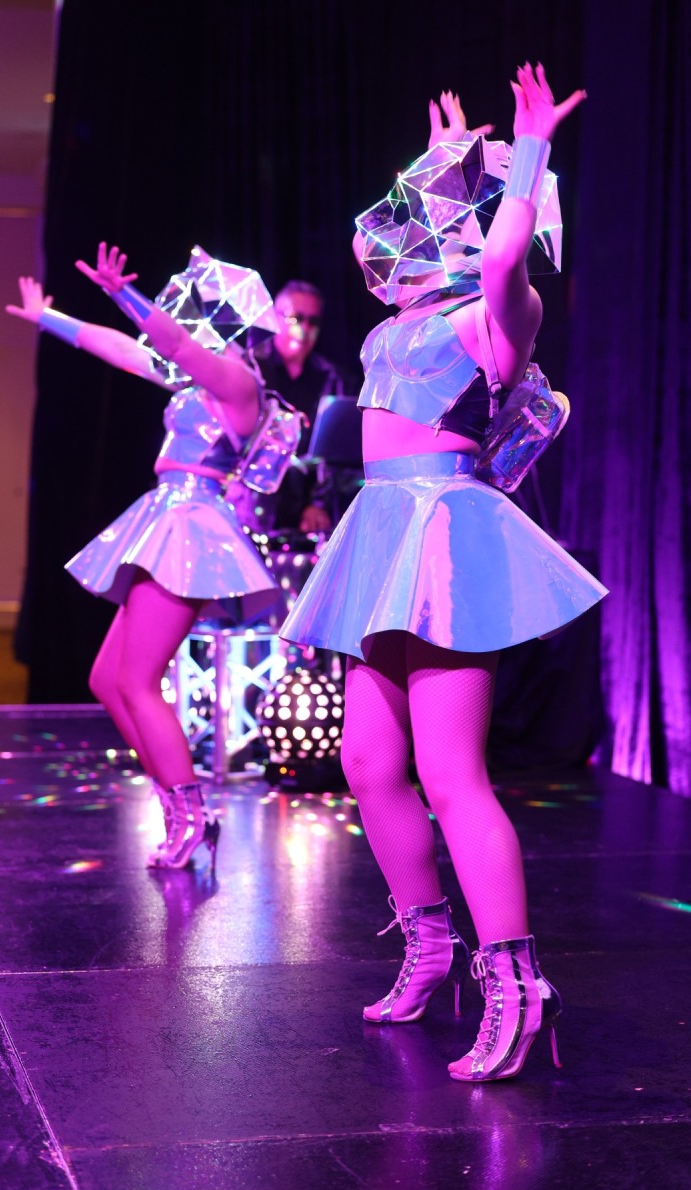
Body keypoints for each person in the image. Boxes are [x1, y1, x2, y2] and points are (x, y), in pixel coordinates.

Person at [281, 67, 607, 1082]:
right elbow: (408, 232)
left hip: (445, 539)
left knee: (450, 772)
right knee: (368, 763)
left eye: (446, 211)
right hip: (382, 532)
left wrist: (527, 146)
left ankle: (516, 985)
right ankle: (429, 944)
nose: (418, 224)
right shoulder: (392, 323)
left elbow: (503, 252)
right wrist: (444, 158)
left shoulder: (497, 314)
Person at [7, 243, 299, 871]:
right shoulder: (197, 378)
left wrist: (123, 293)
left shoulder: (238, 382)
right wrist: (48, 318)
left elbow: (175, 344)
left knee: (138, 681)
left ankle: (192, 815)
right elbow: (124, 350)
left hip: (194, 527)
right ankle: (180, 804)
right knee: (107, 679)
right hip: (167, 516)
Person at [251, 280, 358, 534]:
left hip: (312, 517)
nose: (305, 329)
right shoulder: (250, 369)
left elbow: (336, 456)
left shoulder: (334, 379)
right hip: (253, 505)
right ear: (275, 317)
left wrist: (318, 503)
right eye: (296, 318)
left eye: (313, 321)